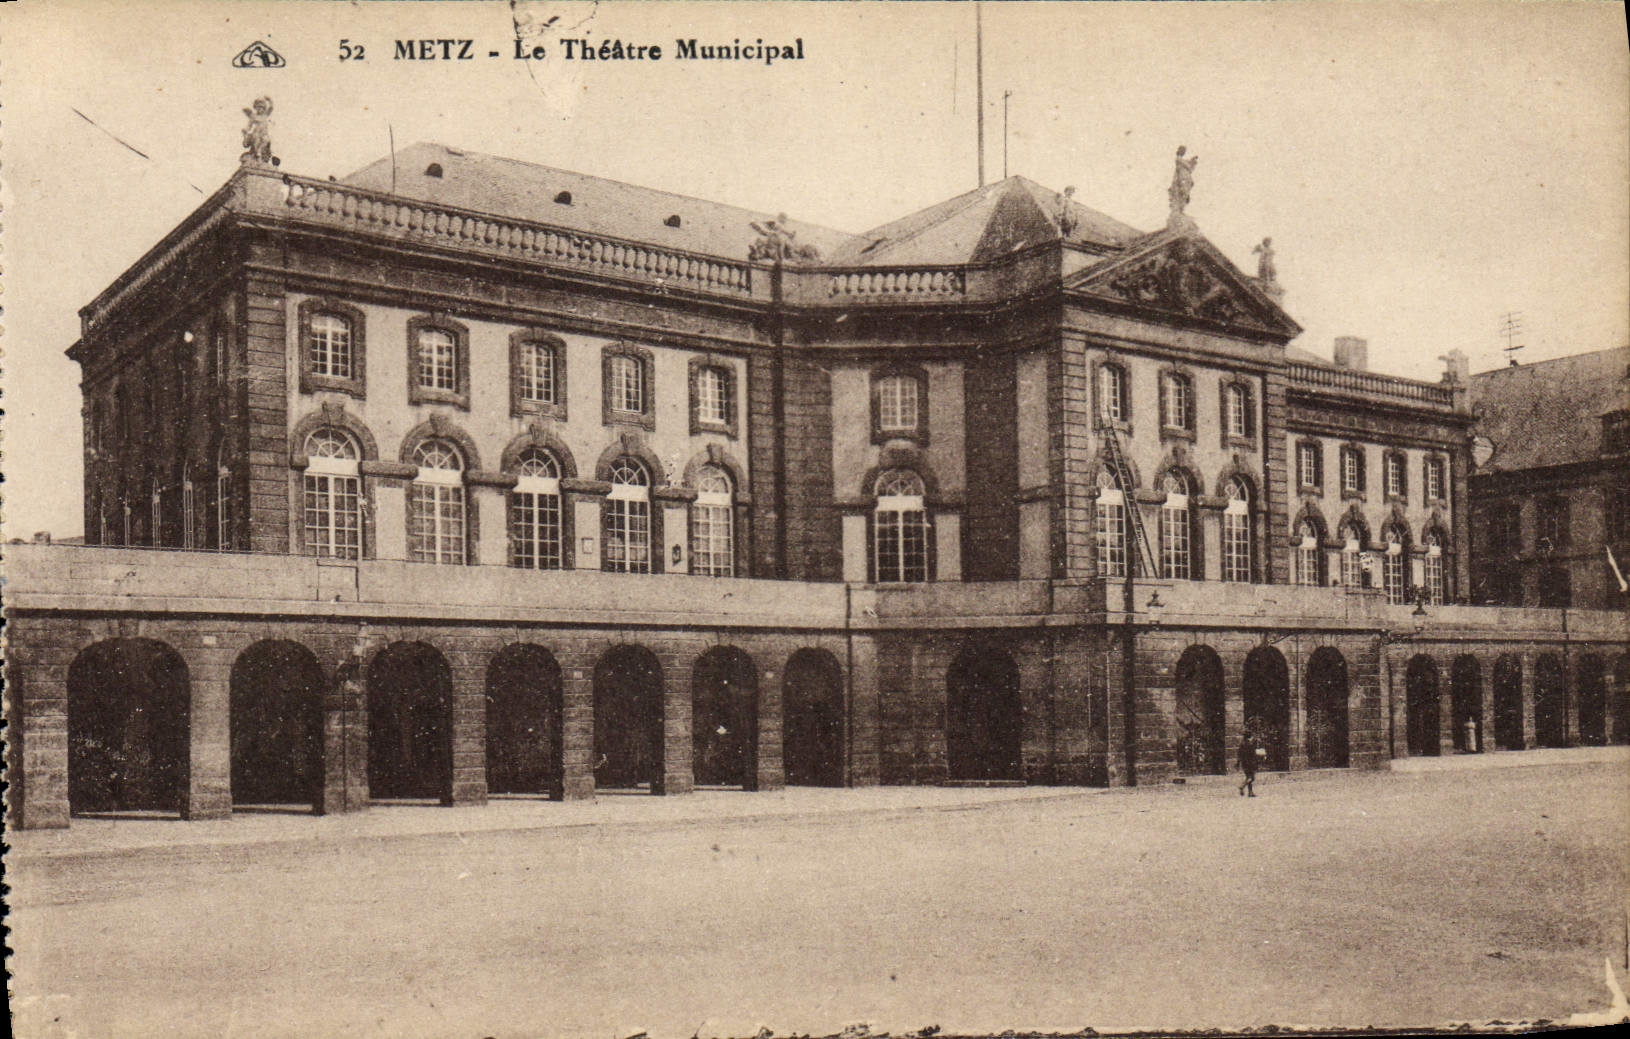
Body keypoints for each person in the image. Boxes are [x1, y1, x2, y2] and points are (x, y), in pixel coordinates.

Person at [1238, 730, 1259, 797]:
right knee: (1252, 778)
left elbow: (1239, 754)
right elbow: (1253, 754)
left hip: (1244, 763)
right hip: (1250, 763)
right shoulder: (1250, 744)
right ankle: (1242, 786)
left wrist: (1238, 762)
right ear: (1250, 736)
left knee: (1248, 776)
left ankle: (1250, 792)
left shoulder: (1242, 743)